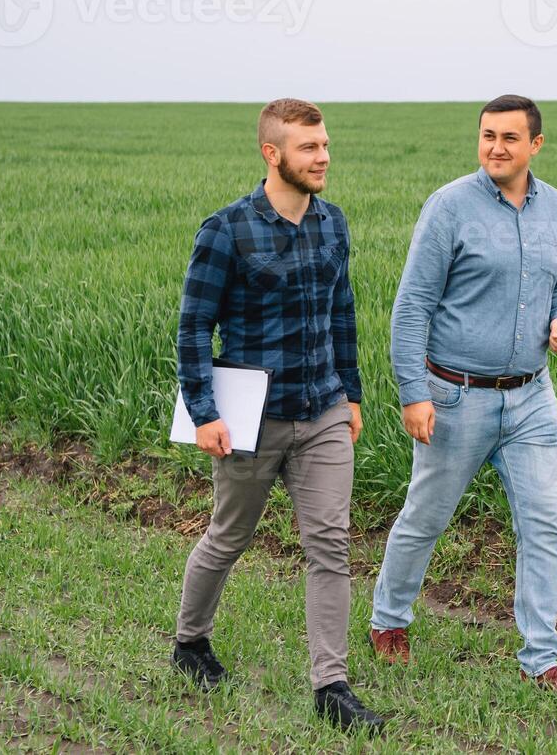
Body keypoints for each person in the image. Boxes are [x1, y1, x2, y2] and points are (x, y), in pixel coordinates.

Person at [171, 98, 383, 733]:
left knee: (331, 546)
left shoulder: (333, 224)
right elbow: (191, 330)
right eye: (309, 148)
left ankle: (331, 686)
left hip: (321, 411)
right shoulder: (227, 230)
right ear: (273, 154)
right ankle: (190, 643)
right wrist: (204, 413)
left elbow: (342, 313)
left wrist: (352, 395)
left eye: (324, 145)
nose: (323, 157)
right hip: (249, 421)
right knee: (228, 537)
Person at [370, 94, 557, 696]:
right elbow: (412, 304)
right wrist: (414, 393)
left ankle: (540, 659)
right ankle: (389, 621)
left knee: (545, 526)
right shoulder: (450, 207)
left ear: (535, 145)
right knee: (426, 516)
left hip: (532, 398)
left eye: (509, 138)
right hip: (455, 397)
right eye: (487, 135)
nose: (496, 147)